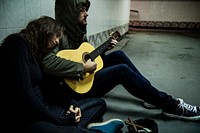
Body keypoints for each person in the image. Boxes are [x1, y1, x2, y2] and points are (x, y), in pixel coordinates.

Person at [41, 0, 200, 122]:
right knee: (121, 70)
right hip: (74, 89)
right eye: (82, 9)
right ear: (70, 12)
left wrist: (104, 50)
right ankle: (171, 105)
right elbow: (47, 62)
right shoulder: (57, 35)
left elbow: (92, 62)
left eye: (86, 9)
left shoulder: (79, 35)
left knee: (119, 56)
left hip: (84, 79)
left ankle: (151, 94)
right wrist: (81, 68)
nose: (86, 13)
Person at [0, 16, 125, 133]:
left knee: (99, 104)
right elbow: (25, 96)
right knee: (70, 128)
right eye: (56, 36)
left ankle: (69, 126)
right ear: (46, 31)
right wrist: (59, 120)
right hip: (29, 116)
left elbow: (48, 89)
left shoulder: (37, 51)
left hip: (46, 106)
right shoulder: (17, 43)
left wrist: (71, 105)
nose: (57, 41)